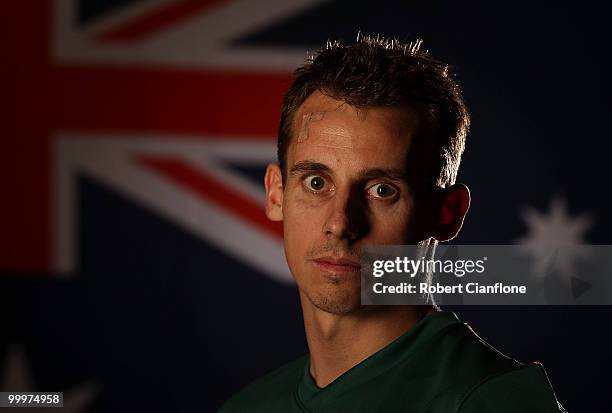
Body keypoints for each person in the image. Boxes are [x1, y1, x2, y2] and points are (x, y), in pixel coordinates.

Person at [219, 34, 566, 412]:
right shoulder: (248, 407)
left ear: (447, 214)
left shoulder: (492, 402)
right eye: (316, 183)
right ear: (276, 194)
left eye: (382, 190)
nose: (340, 223)